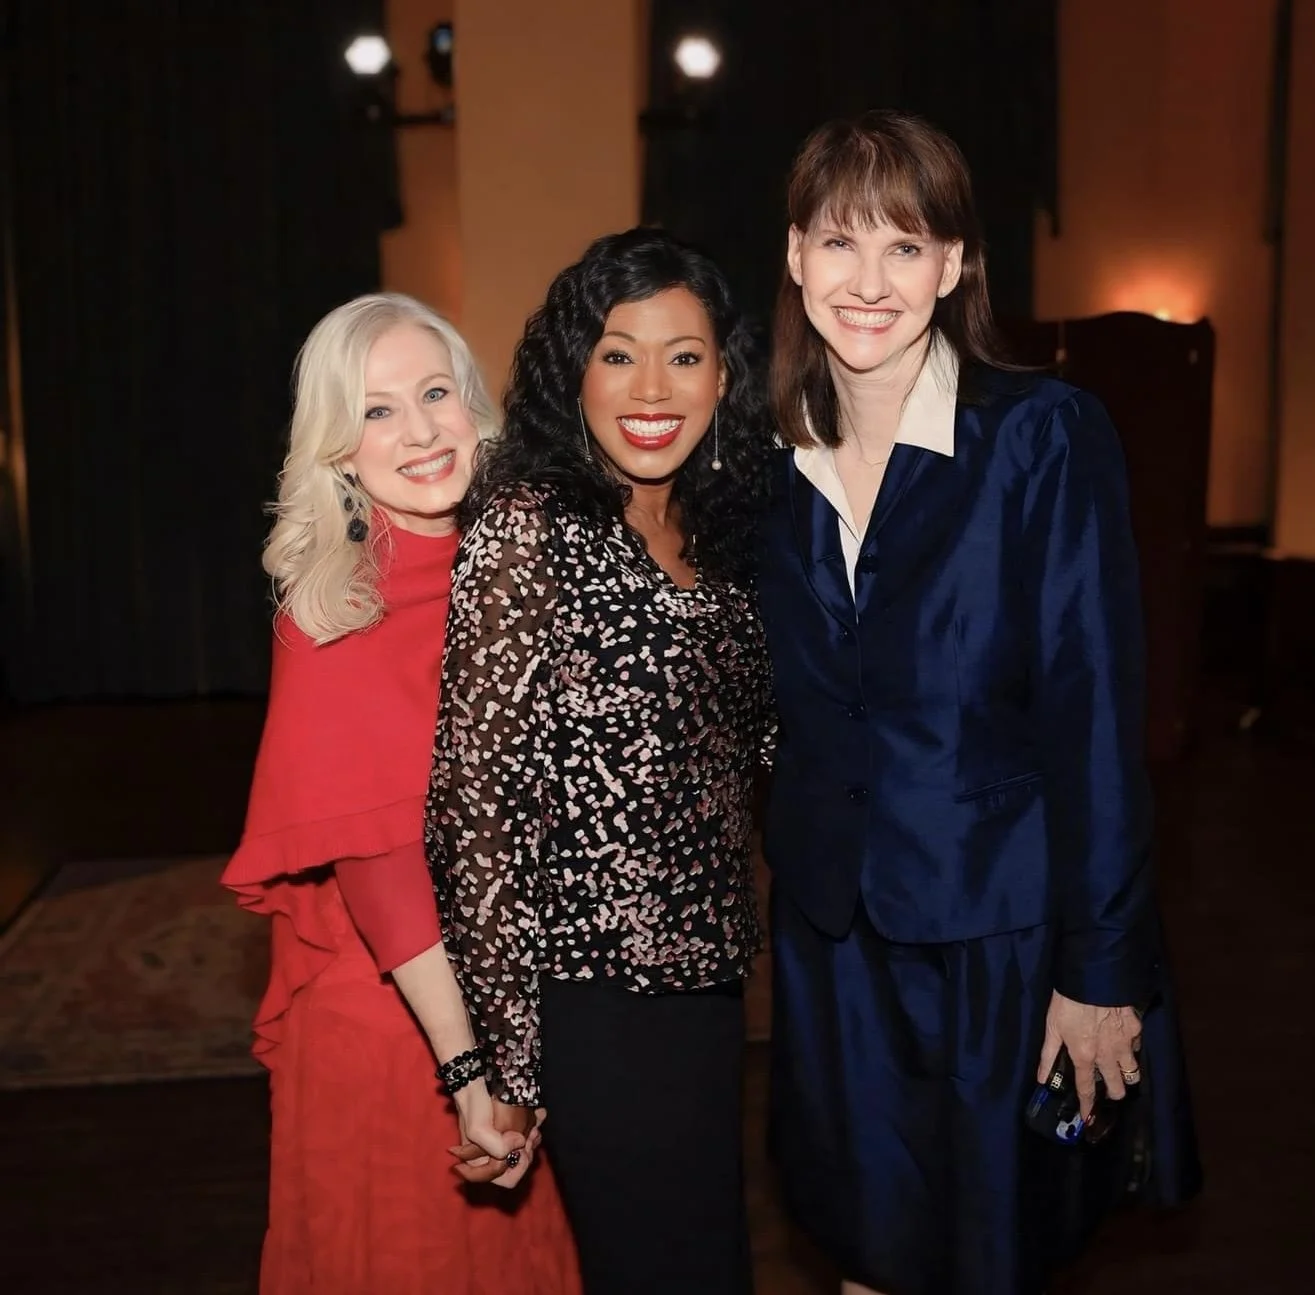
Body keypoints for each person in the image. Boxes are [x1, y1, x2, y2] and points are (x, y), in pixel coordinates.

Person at [758, 111, 1202, 1295]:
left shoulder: (1039, 437)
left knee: (983, 1254)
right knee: (859, 1244)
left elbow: (1094, 716)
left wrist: (1101, 967)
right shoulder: (765, 461)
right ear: (795, 254)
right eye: (839, 242)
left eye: (904, 247)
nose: (868, 282)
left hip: (995, 938)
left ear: (952, 265)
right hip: (830, 940)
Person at [424, 228, 776, 1295]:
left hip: (709, 989)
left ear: (725, 375)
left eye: (685, 355)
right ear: (573, 371)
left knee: (711, 1259)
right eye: (618, 353)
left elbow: (753, 749)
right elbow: (476, 808)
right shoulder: (530, 530)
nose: (651, 388)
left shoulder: (725, 533)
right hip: (592, 1000)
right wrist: (509, 1060)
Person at [222, 293, 580, 1295]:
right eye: (377, 410)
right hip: (403, 1023)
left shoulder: (512, 567)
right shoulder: (334, 607)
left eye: (434, 393)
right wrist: (468, 1068)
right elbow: (378, 858)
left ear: (474, 406)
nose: (419, 431)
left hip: (510, 997)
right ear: (339, 448)